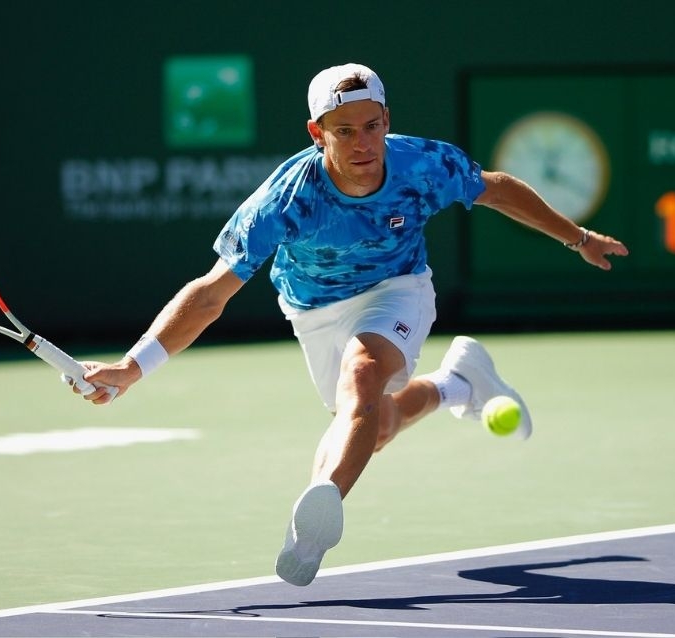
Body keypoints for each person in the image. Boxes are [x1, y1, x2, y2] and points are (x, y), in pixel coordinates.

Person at [75, 63, 629, 586]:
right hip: (313, 310)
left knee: (362, 377)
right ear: (317, 133)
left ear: (387, 119)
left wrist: (579, 238)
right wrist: (132, 367)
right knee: (374, 425)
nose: (362, 143)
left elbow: (498, 188)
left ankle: (315, 524)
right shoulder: (284, 199)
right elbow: (209, 296)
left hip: (397, 289)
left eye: (371, 126)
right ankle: (456, 383)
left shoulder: (422, 166)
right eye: (344, 131)